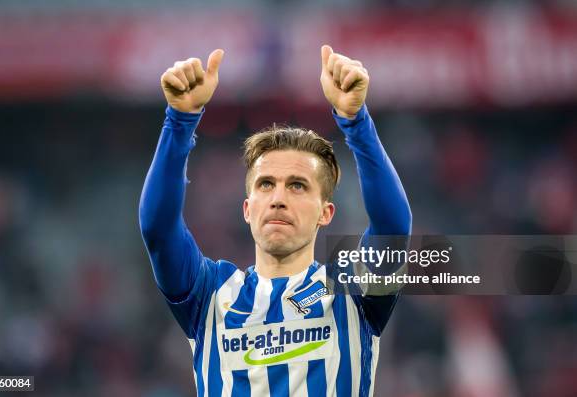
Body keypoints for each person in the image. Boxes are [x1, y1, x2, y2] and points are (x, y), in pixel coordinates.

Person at [139, 45, 412, 396]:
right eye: (266, 185)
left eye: (298, 186)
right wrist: (178, 120)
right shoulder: (209, 294)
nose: (279, 199)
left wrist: (357, 122)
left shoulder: (351, 290)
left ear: (325, 213)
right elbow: (158, 231)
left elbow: (393, 230)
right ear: (248, 208)